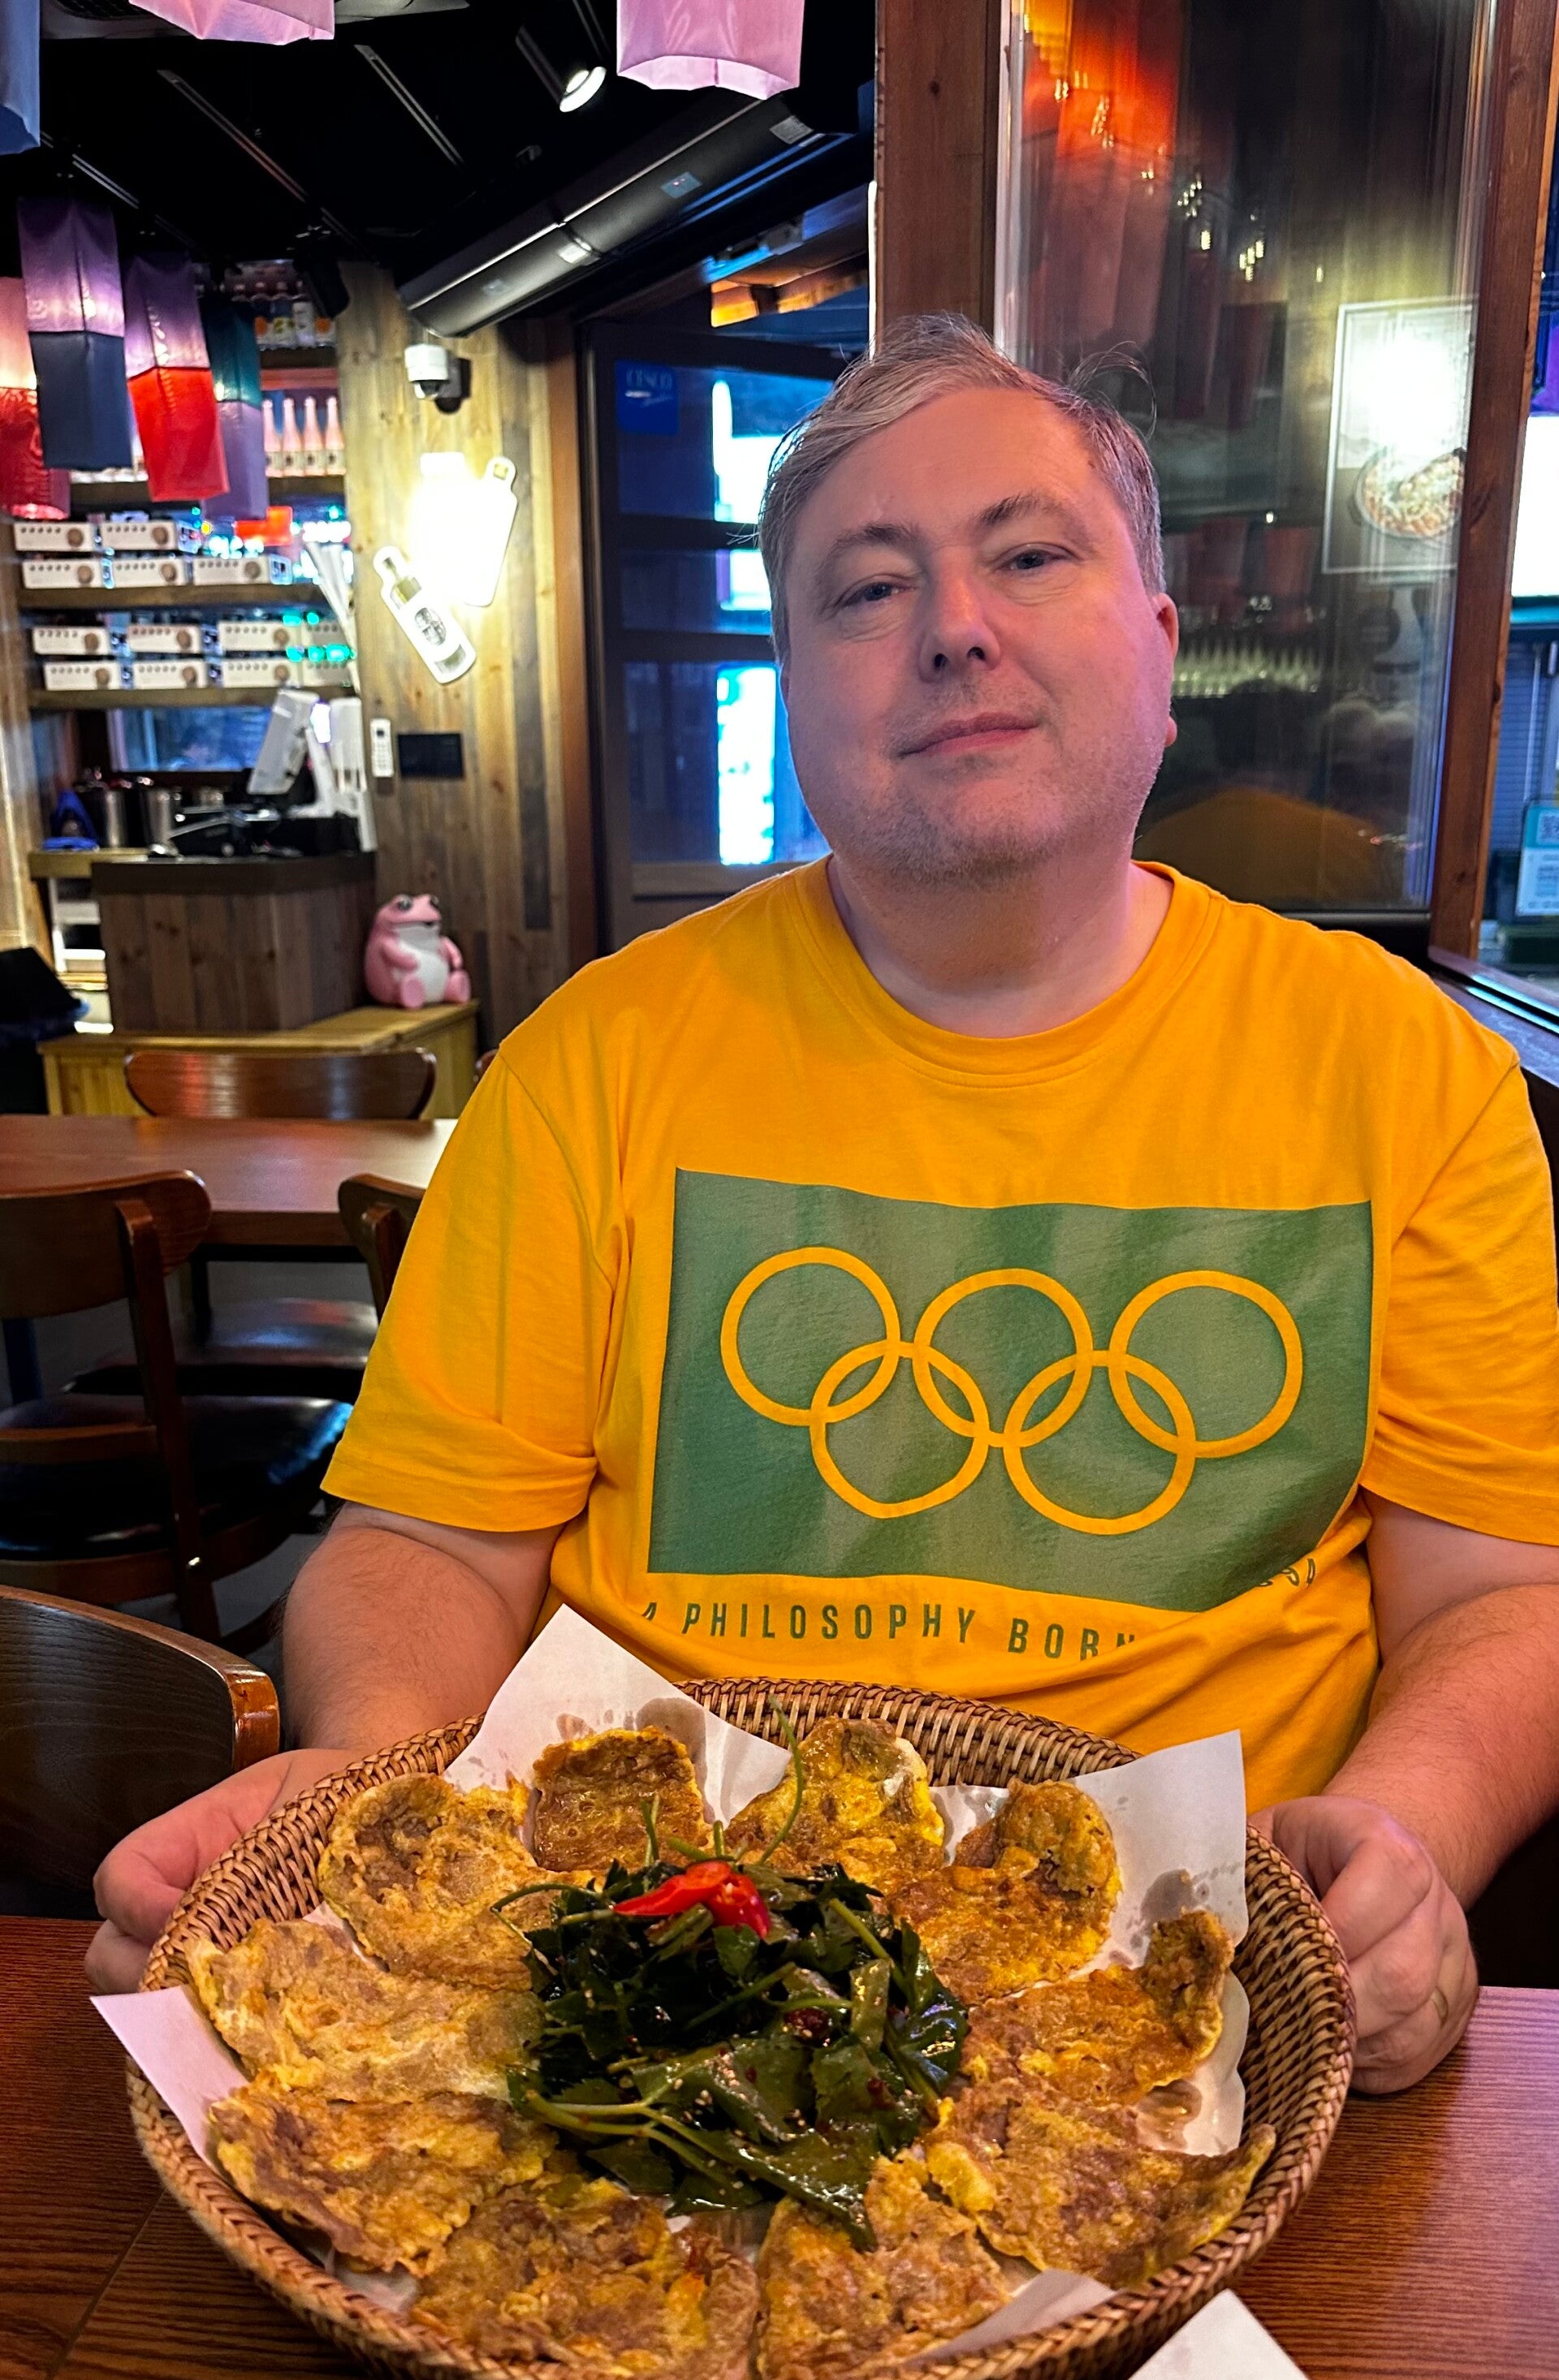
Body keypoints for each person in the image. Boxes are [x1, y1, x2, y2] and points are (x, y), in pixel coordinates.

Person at [89, 316, 1559, 2097]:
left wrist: (1403, 1842)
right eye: (867, 591)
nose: (956, 626)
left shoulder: (1409, 1073)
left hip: (1197, 1997)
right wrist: (377, 1784)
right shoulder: (596, 1059)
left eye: (1032, 556)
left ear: (1163, 646)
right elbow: (431, 1547)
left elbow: (1500, 1594)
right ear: (794, 691)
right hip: (633, 1984)